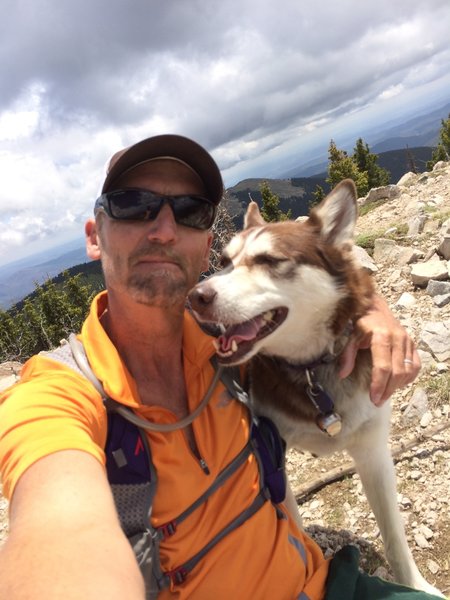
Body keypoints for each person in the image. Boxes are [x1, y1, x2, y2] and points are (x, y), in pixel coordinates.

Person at [0, 134, 437, 600]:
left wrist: (371, 311)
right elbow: (59, 531)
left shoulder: (234, 344)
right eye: (132, 205)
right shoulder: (57, 395)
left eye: (189, 211)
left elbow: (319, 295)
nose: (164, 229)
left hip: (323, 585)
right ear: (94, 237)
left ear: (206, 242)